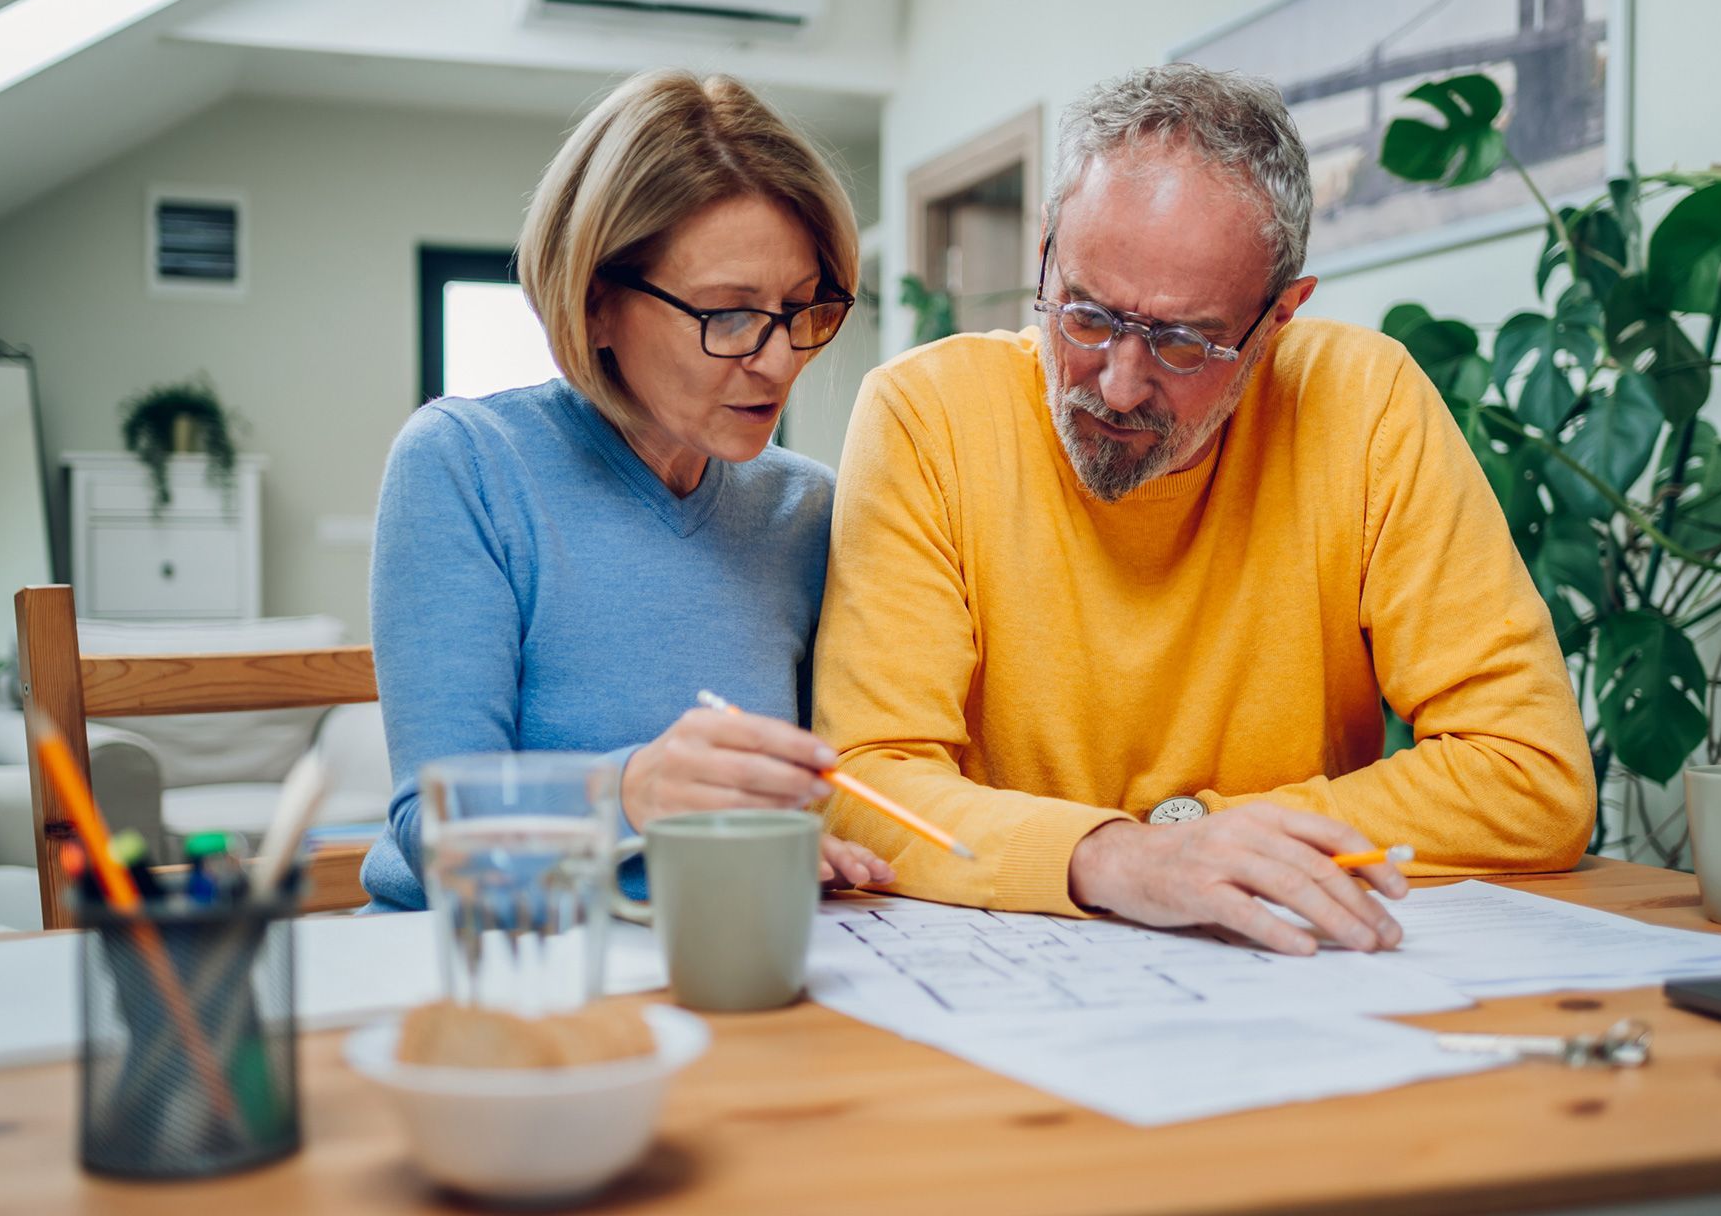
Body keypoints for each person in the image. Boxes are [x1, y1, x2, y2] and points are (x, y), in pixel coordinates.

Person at [813, 64, 1595, 954]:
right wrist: (1116, 859)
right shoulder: (926, 417)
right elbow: (865, 786)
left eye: (1184, 344)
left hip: (1280, 966)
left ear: (1279, 318)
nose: (1118, 384)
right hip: (997, 965)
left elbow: (1532, 776)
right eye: (1086, 315)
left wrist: (1198, 839)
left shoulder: (1364, 405)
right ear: (1046, 256)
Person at [360, 71, 893, 910]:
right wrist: (635, 793)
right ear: (596, 305)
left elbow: (811, 794)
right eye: (728, 314)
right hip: (487, 951)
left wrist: (801, 839)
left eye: (802, 309)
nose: (779, 359)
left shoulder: (807, 512)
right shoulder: (465, 465)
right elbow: (438, 837)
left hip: (708, 937)